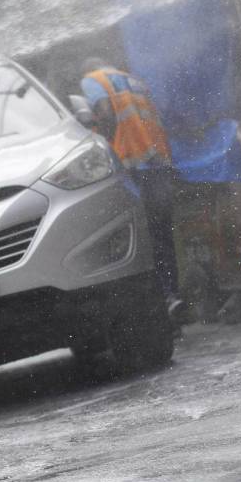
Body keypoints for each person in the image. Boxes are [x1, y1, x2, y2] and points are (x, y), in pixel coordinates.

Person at [80, 58, 185, 319]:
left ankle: (157, 305)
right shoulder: (133, 80)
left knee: (135, 238)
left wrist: (100, 142)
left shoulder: (93, 80)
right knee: (162, 235)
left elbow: (104, 111)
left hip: (130, 166)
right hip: (158, 162)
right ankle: (172, 296)